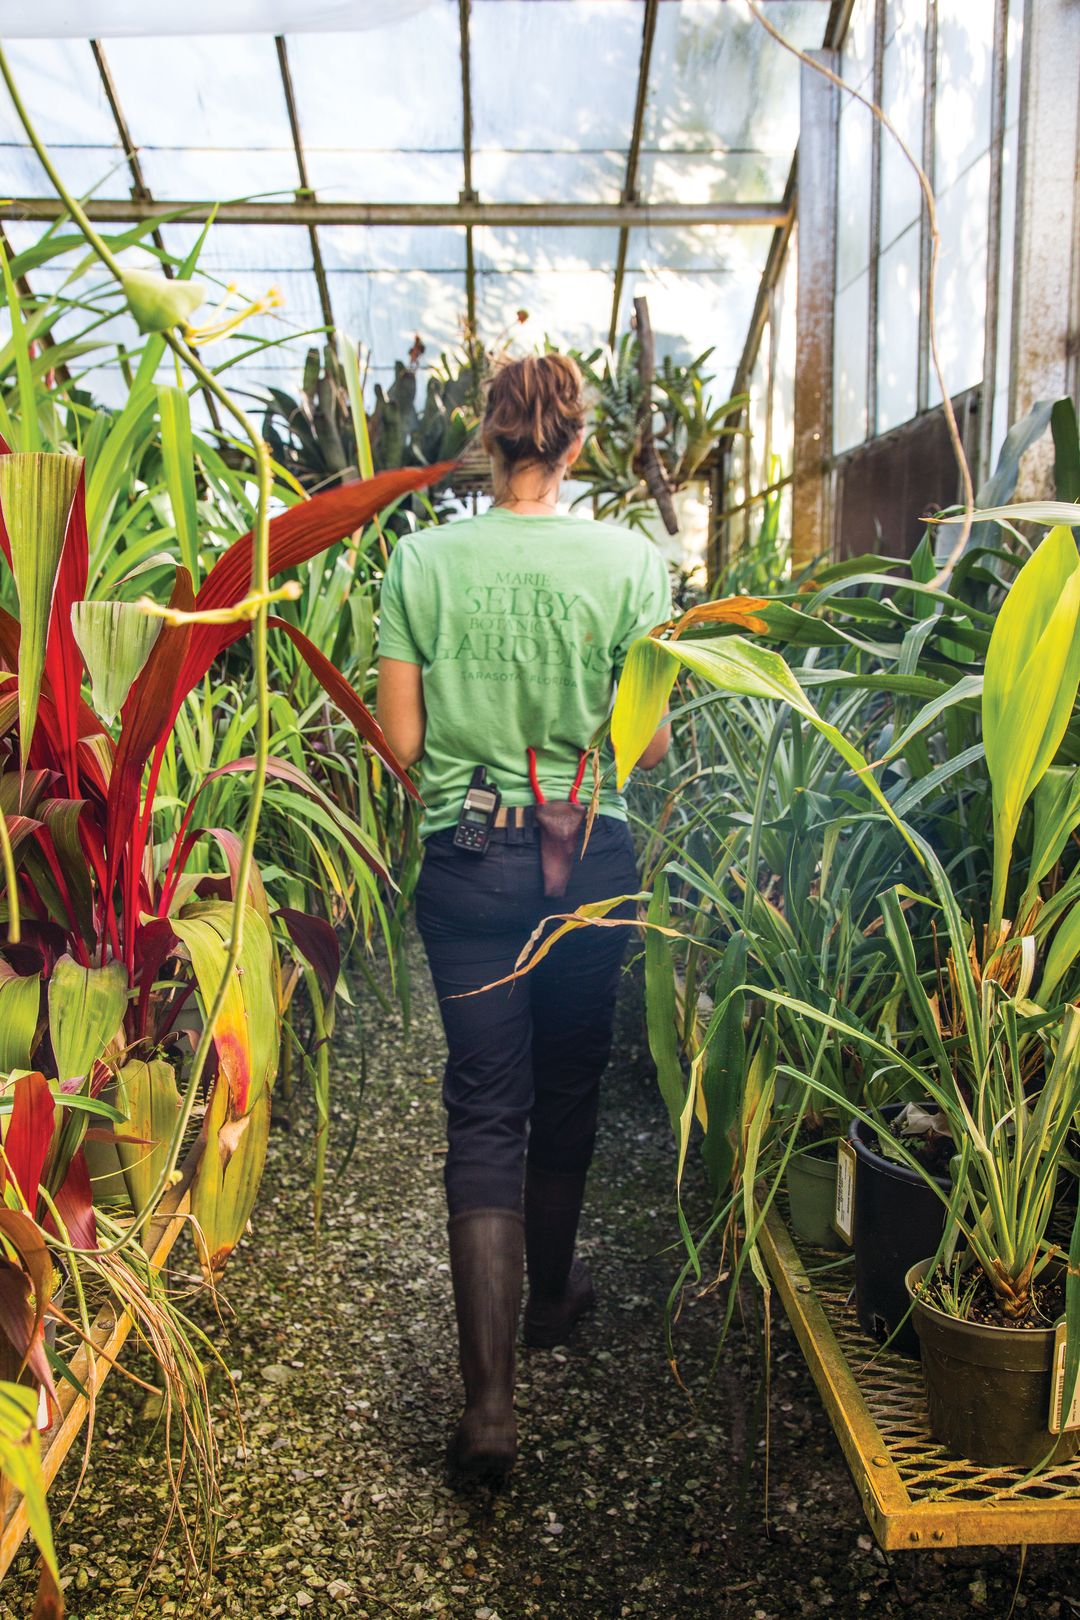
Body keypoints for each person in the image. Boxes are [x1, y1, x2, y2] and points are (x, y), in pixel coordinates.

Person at [376, 352, 671, 1481]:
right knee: (569, 1087)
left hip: (469, 862)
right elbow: (644, 745)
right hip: (588, 853)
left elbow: (403, 746)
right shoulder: (631, 563)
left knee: (484, 1111)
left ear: (487, 440)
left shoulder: (421, 561)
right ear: (575, 443)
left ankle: (490, 1409)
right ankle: (551, 1298)